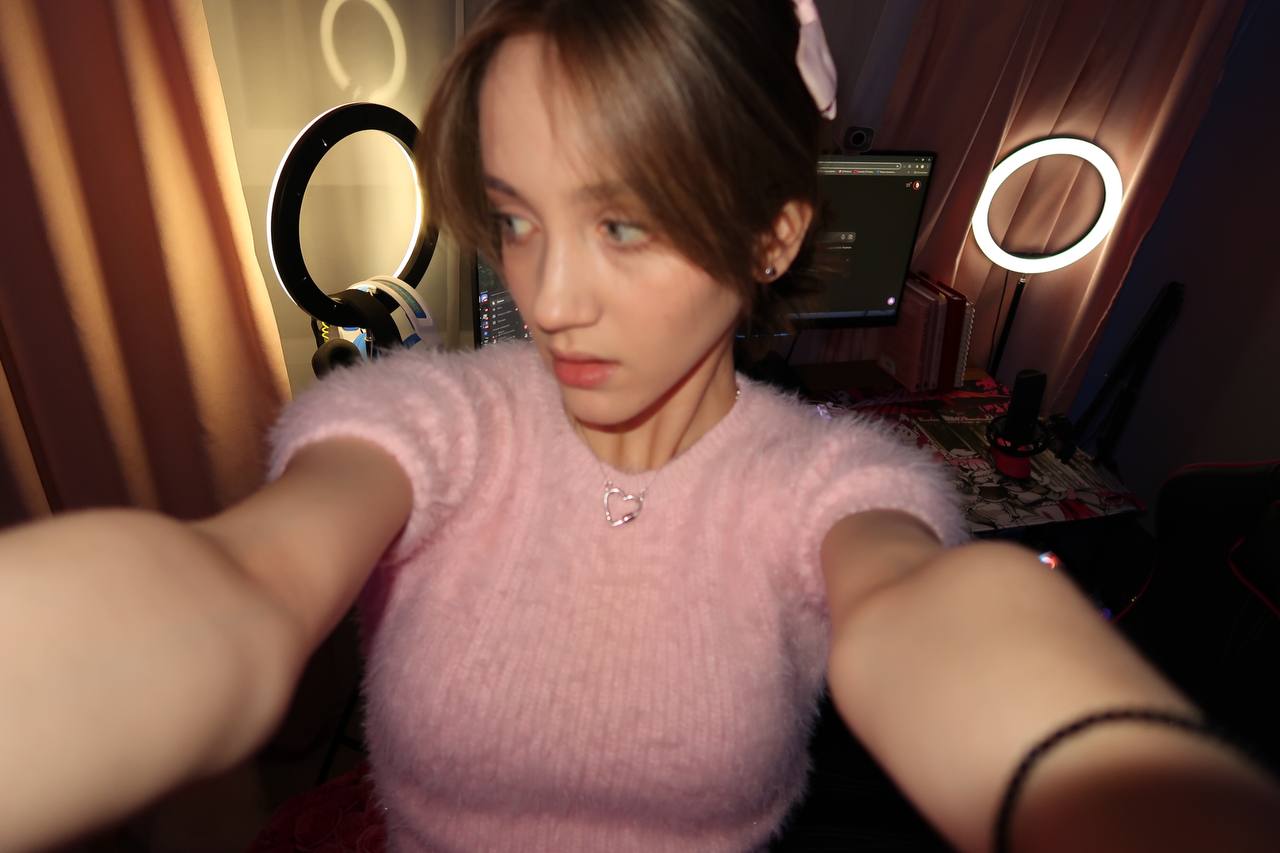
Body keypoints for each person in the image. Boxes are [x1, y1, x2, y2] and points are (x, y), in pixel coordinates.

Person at [1, 1, 1278, 851]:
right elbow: (237, 583)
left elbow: (923, 612)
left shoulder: (827, 481)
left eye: (622, 223)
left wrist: (1110, 784)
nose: (547, 297)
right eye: (516, 217)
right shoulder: (433, 420)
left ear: (772, 234)